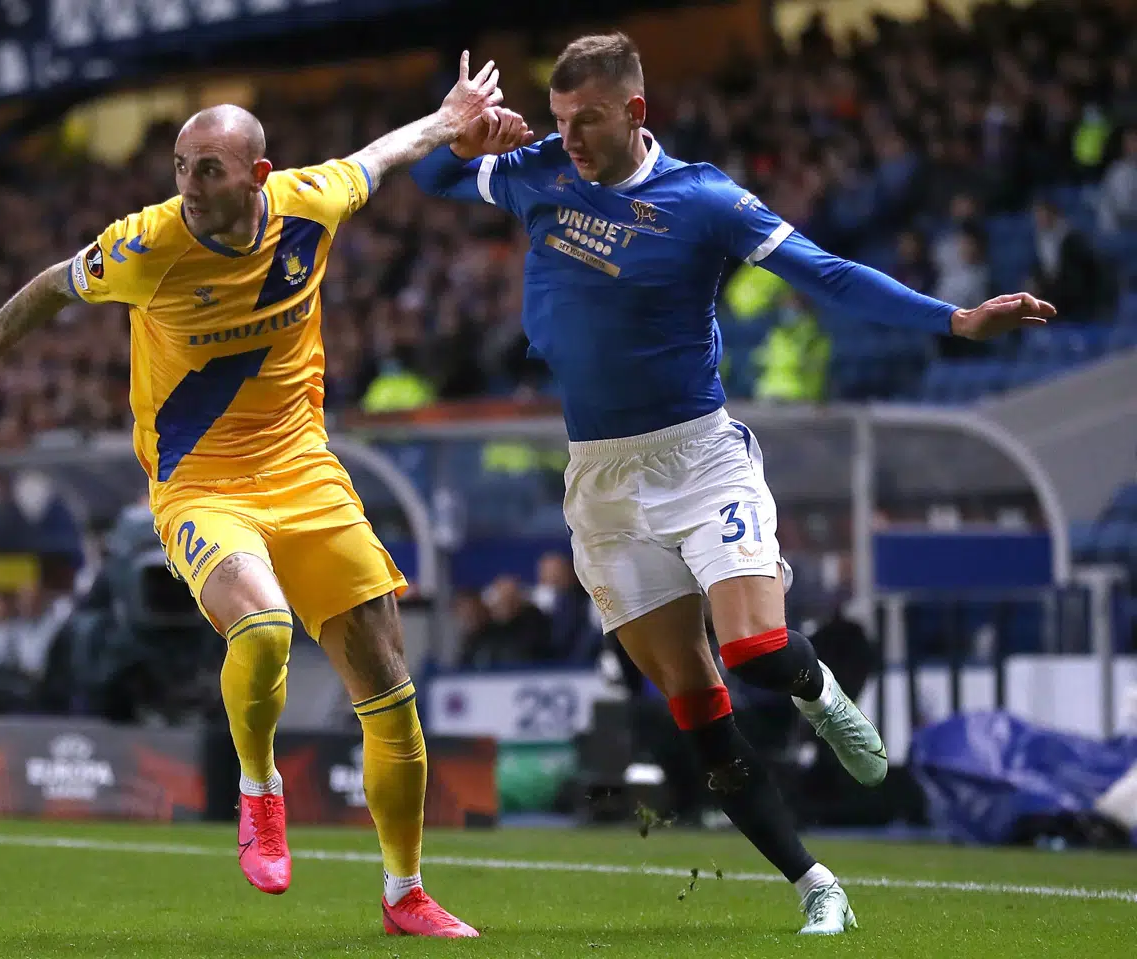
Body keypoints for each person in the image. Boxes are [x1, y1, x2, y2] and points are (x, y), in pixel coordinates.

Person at [411, 32, 1055, 935]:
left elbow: (824, 271)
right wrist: (460, 136)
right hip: (600, 481)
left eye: (586, 120)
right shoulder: (541, 170)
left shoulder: (704, 199)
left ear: (635, 112)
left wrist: (952, 318)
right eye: (558, 121)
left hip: (698, 456)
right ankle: (815, 883)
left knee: (754, 651)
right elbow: (430, 184)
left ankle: (819, 689)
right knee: (695, 705)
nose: (571, 139)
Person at [0, 53, 506, 938]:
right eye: (180, 168)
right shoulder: (148, 244)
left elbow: (379, 158)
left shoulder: (309, 205)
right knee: (266, 625)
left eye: (208, 170)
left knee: (389, 690)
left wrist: (446, 119)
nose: (190, 187)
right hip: (199, 485)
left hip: (305, 472)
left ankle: (405, 893)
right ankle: (259, 787)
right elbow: (54, 283)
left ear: (258, 176)